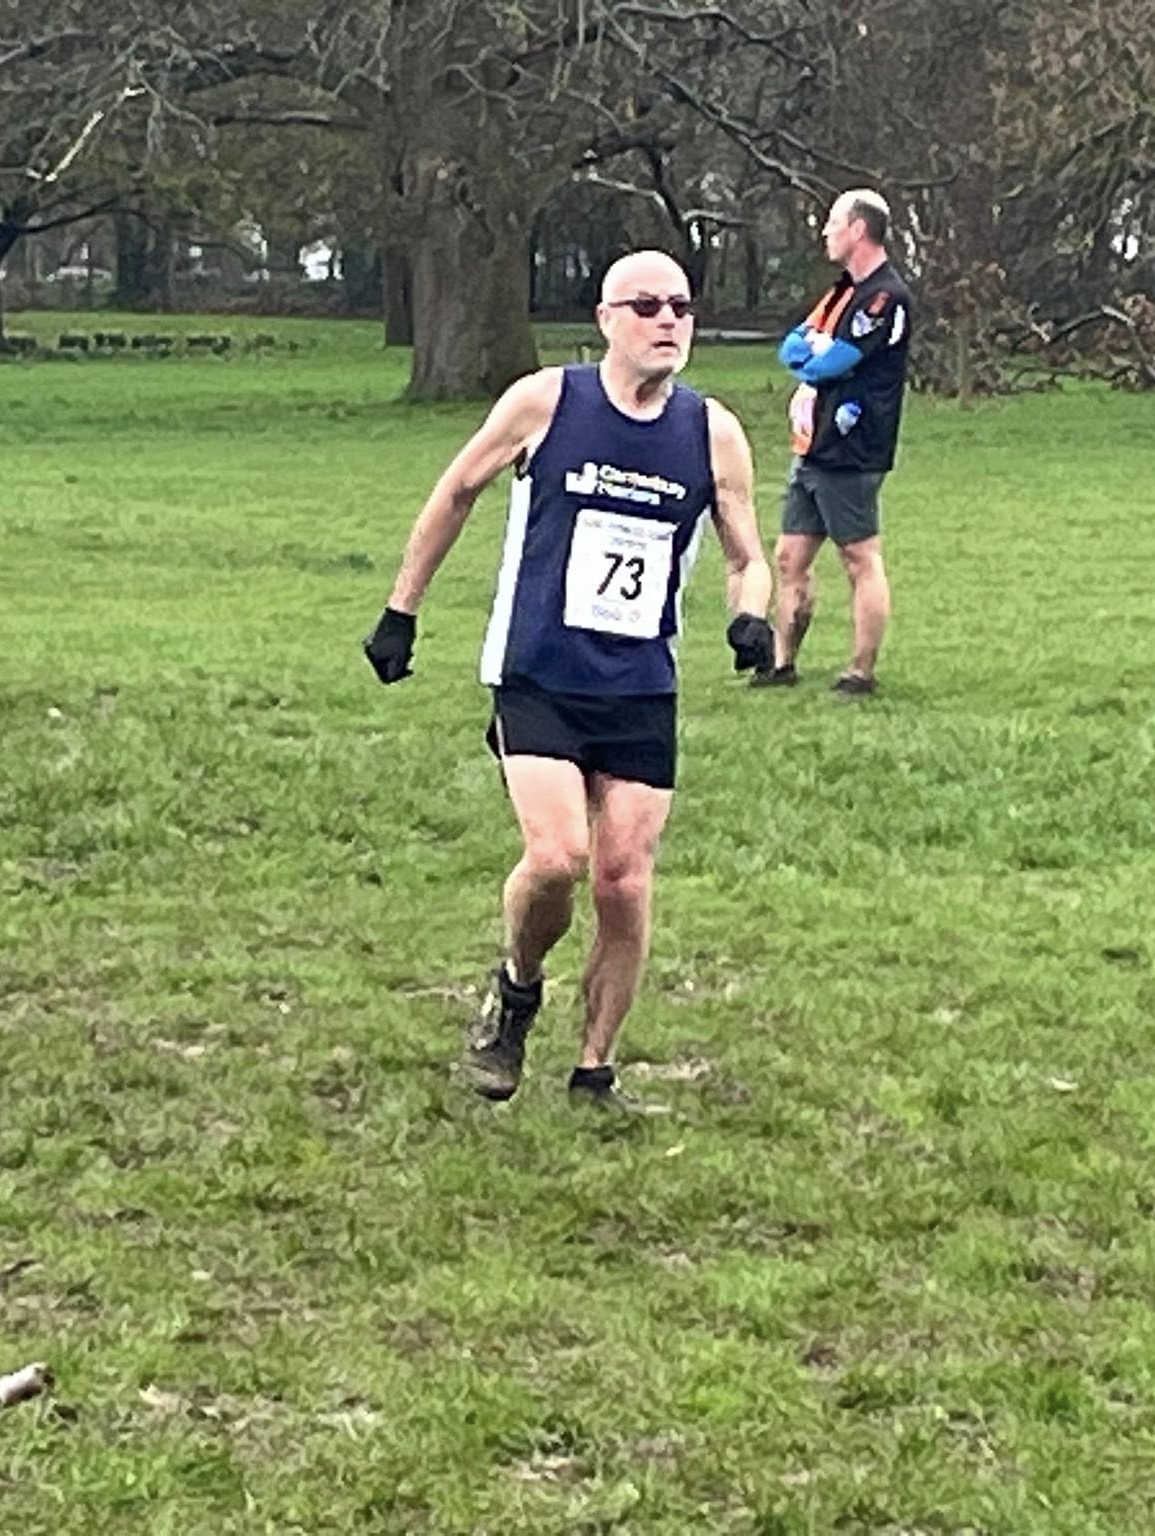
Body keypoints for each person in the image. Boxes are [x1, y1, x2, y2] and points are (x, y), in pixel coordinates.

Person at [363, 250, 774, 1113]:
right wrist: (402, 609)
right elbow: (455, 492)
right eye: (647, 306)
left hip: (641, 686)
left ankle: (594, 1070)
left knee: (624, 881)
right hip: (539, 672)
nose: (668, 321)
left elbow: (748, 555)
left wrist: (751, 617)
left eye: (682, 307)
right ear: (605, 319)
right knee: (557, 859)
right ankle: (516, 989)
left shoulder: (712, 431)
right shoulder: (546, 402)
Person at [754, 188, 915, 696]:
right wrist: (811, 356)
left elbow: (834, 362)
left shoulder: (884, 297)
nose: (825, 232)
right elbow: (792, 346)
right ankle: (782, 663)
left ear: (858, 230)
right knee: (789, 557)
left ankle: (860, 673)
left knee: (858, 558)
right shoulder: (843, 290)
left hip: (853, 447)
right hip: (813, 443)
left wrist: (816, 359)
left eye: (833, 224)